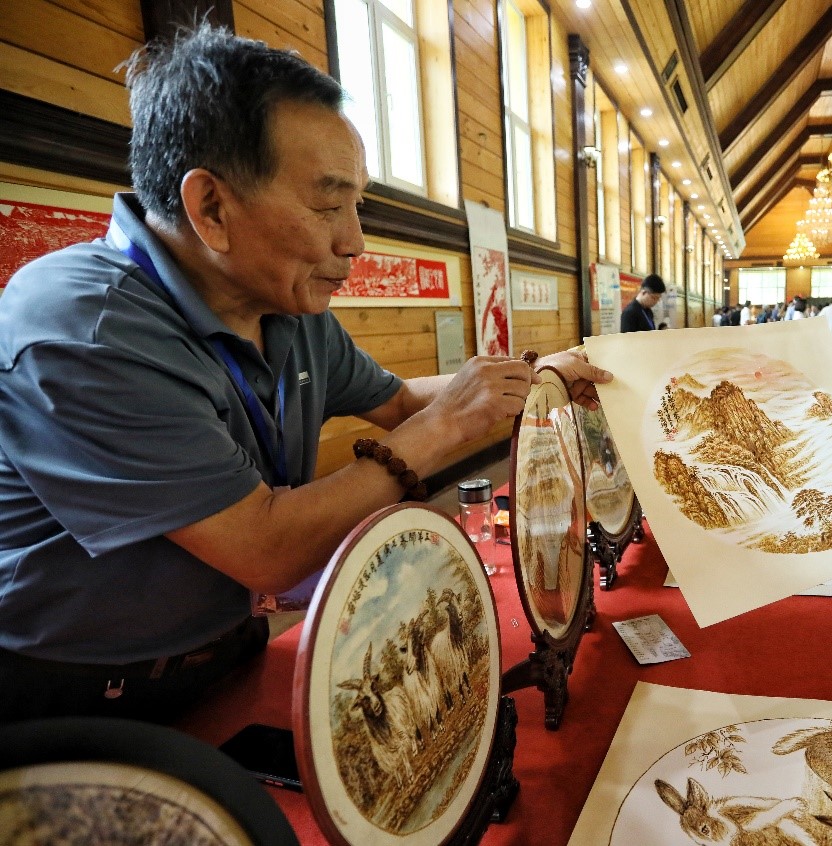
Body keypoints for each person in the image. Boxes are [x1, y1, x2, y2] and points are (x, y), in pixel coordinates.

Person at [0, 26, 610, 724]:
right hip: (77, 693)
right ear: (211, 209)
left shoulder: (287, 305)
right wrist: (440, 431)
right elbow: (263, 548)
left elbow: (401, 400)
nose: (353, 241)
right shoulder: (83, 327)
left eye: (359, 205)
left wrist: (535, 376)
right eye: (328, 206)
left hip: (230, 648)